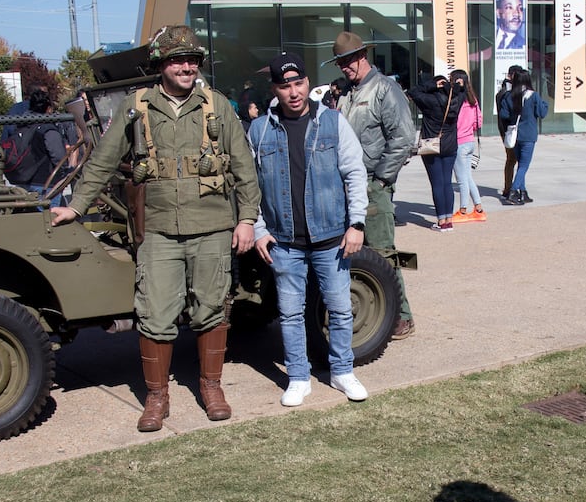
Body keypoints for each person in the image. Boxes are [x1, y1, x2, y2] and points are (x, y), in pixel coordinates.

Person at [49, 25, 259, 430]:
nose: (186, 66)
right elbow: (104, 160)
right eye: (178, 59)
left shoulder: (216, 105)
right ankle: (157, 397)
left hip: (212, 227)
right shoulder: (136, 107)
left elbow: (244, 166)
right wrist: (76, 207)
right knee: (154, 314)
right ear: (162, 64)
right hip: (159, 230)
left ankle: (211, 386)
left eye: (192, 60)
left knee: (211, 309)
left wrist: (247, 218)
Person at [247, 53, 370, 407]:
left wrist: (356, 223)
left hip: (331, 237)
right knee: (290, 313)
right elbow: (248, 185)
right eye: (285, 86)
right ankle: (299, 377)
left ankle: (342, 371)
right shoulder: (259, 130)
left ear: (307, 83)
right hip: (284, 241)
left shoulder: (332, 121)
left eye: (298, 83)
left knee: (340, 308)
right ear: (275, 89)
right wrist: (258, 228)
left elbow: (354, 173)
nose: (293, 92)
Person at [330, 30, 419, 339]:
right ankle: (372, 311)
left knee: (382, 252)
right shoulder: (346, 93)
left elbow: (404, 139)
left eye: (349, 60)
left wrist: (381, 179)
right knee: (357, 252)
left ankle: (401, 316)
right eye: (340, 62)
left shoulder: (384, 89)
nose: (345, 67)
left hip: (373, 184)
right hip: (347, 183)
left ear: (362, 56)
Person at [2, 86, 75, 203]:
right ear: (49, 109)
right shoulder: (48, 130)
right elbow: (59, 158)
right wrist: (65, 172)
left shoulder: (22, 126)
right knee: (52, 218)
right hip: (46, 184)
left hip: (23, 183)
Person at [408, 73, 461, 231]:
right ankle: (449, 219)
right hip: (450, 145)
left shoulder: (429, 101)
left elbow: (413, 92)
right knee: (447, 183)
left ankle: (441, 221)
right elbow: (463, 91)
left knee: (437, 183)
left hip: (432, 145)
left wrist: (431, 85)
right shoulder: (456, 100)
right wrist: (453, 86)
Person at [498, 70, 548, 205]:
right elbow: (541, 113)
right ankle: (513, 192)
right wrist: (545, 105)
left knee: (520, 163)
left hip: (515, 135)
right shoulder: (533, 95)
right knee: (524, 165)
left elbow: (503, 114)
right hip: (528, 134)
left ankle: (523, 192)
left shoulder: (509, 96)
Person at [450, 69, 485, 223]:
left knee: (462, 179)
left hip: (459, 142)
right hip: (470, 140)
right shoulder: (473, 100)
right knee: (468, 177)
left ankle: (463, 210)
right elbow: (479, 121)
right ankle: (479, 208)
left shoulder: (457, 100)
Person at [496, 65, 522, 201]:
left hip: (507, 129)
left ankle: (510, 187)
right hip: (509, 130)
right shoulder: (507, 92)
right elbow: (505, 114)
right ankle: (509, 188)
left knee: (513, 159)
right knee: (512, 159)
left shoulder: (505, 90)